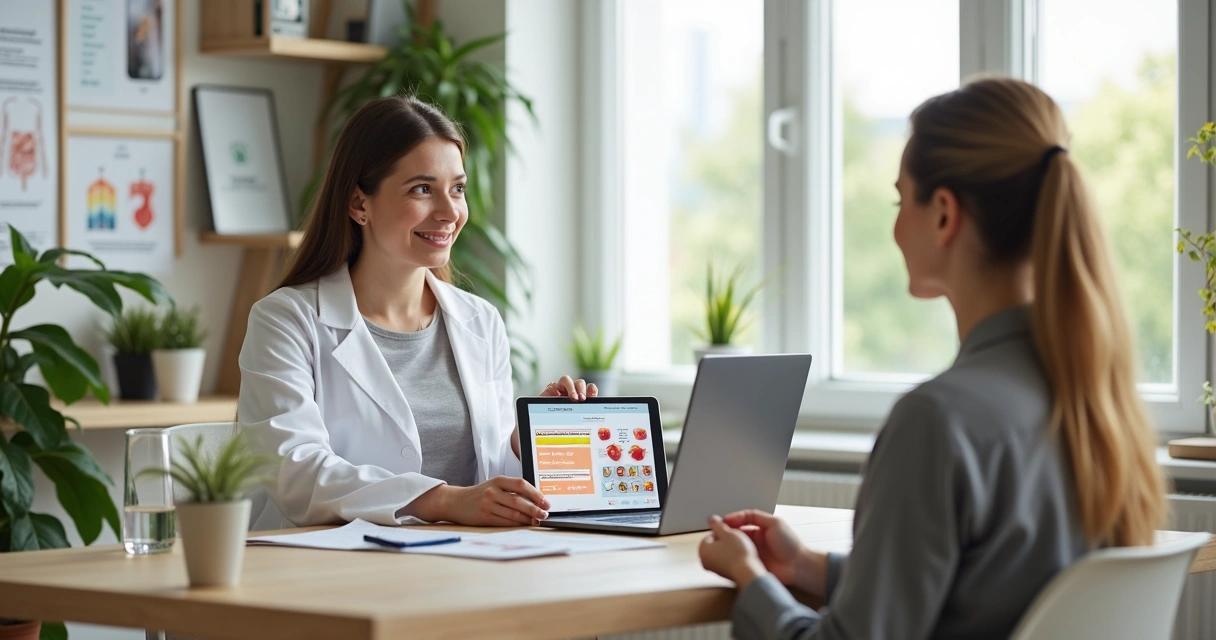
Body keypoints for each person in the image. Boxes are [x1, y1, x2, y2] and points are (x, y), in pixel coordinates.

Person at [698, 77, 1168, 639]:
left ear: (944, 213)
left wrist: (752, 581)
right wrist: (804, 567)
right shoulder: (1098, 403)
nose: (896, 225)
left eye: (901, 199)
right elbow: (985, 595)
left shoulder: (938, 423)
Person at [239, 95, 595, 530]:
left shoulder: (480, 322)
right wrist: (441, 501)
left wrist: (525, 443)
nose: (450, 213)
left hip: (465, 565)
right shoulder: (286, 320)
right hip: (330, 573)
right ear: (358, 204)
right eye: (422, 189)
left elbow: (484, 479)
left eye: (457, 188)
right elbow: (296, 473)